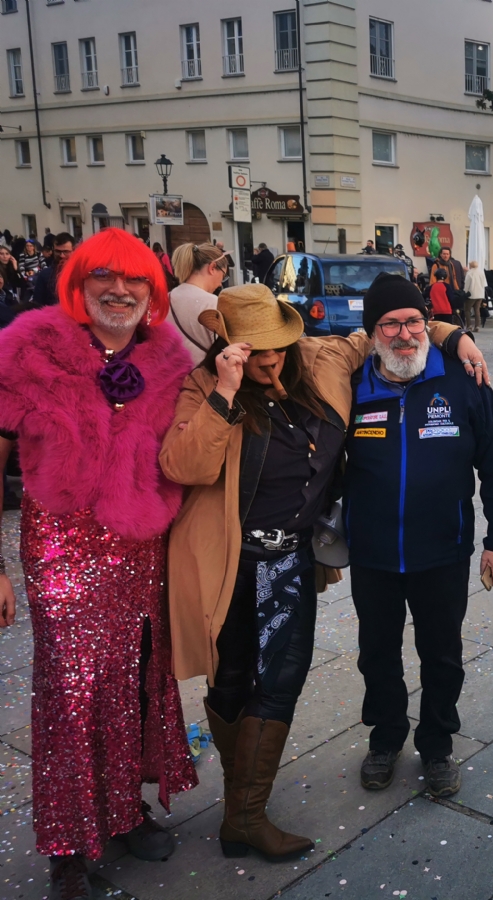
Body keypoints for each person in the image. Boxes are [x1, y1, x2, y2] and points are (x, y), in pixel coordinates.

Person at [159, 281, 481, 862]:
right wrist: (225, 394)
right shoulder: (204, 384)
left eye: (276, 346)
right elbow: (184, 465)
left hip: (290, 559)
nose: (267, 359)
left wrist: (450, 334)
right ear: (227, 346)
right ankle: (242, 815)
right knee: (232, 678)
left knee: (281, 682)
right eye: (251, 349)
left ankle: (245, 817)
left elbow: (388, 329)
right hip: (228, 562)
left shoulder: (321, 360)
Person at [0, 229, 198, 899]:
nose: (120, 290)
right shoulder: (31, 348)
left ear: (153, 291)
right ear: (78, 287)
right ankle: (65, 846)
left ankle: (121, 812)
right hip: (61, 546)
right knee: (70, 690)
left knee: (132, 677)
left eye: (135, 280)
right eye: (103, 279)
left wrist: (450, 333)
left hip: (142, 548)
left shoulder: (169, 354)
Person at [345, 277, 493, 799]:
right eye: (390, 324)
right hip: (372, 552)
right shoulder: (350, 384)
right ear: (372, 332)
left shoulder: (463, 381)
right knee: (376, 651)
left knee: (441, 653)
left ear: (427, 325)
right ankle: (386, 735)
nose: (404, 334)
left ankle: (438, 743)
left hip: (443, 548)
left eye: (414, 321)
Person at [167, 242, 228, 365]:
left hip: (169, 375)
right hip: (201, 378)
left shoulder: (167, 298)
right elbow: (225, 354)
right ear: (212, 268)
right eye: (223, 275)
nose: (221, 283)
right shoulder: (213, 303)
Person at [30, 232, 74, 308]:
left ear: (74, 251)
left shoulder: (81, 273)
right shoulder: (45, 275)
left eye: (66, 252)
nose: (62, 255)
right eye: (58, 251)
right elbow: (37, 304)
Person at [464, 260, 488, 332]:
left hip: (471, 294)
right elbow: (484, 284)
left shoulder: (469, 273)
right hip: (480, 294)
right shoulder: (481, 272)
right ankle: (477, 326)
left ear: (470, 266)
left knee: (467, 310)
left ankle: (469, 325)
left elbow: (467, 284)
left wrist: (465, 292)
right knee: (477, 310)